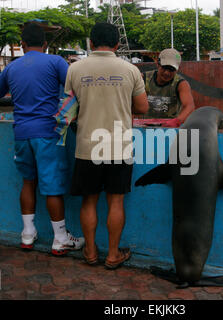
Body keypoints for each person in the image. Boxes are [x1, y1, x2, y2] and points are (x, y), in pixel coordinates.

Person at [0, 23, 84, 256]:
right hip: (48, 133)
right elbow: (75, 89)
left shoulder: (11, 68)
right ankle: (59, 239)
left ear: (22, 45)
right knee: (52, 187)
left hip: (21, 134)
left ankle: (27, 234)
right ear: (45, 45)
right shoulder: (56, 62)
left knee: (28, 183)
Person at [65, 22, 148, 269]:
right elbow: (143, 107)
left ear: (90, 43)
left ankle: (90, 252)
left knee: (89, 201)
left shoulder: (75, 69)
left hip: (87, 146)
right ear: (117, 44)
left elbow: (68, 109)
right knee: (116, 201)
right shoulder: (130, 70)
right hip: (118, 146)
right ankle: (113, 255)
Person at [141, 48, 195, 127]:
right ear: (157, 64)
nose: (167, 73)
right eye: (164, 68)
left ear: (177, 70)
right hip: (146, 127)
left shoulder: (181, 84)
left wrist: (177, 121)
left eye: (171, 69)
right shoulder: (144, 78)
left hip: (169, 127)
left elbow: (189, 106)